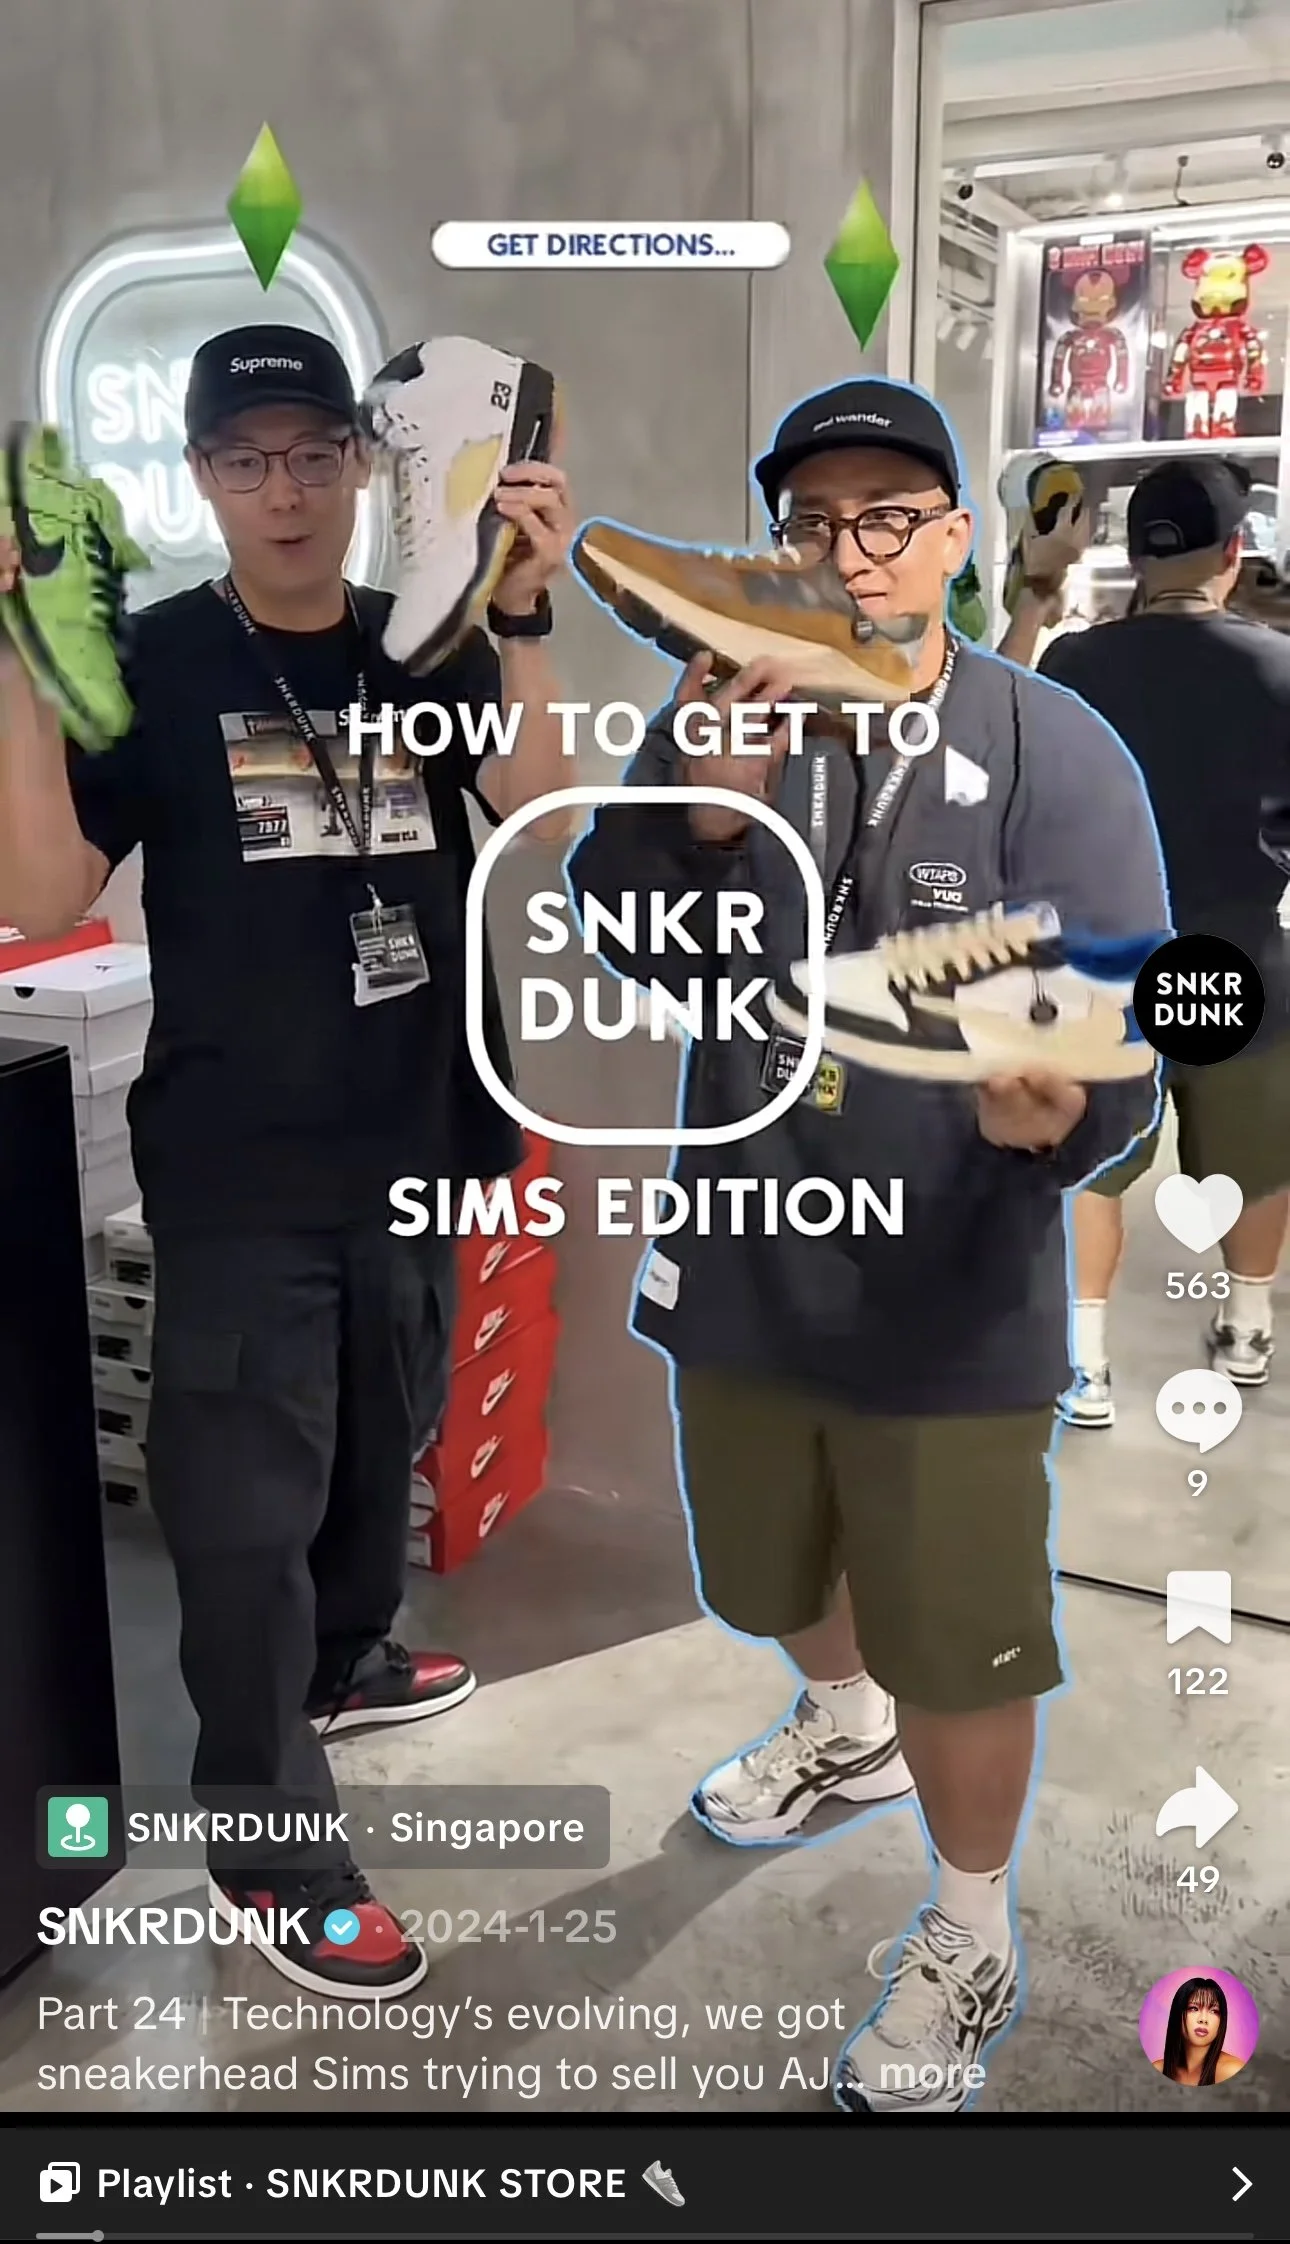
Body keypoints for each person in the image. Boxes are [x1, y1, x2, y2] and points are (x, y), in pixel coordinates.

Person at [567, 377, 1170, 2114]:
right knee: (774, 1563)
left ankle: (970, 1922)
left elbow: (1125, 1027)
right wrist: (695, 809)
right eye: (813, 523)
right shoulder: (718, 703)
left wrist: (1071, 1109)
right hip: (749, 1248)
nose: (849, 551)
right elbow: (632, 936)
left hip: (951, 1291)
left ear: (959, 541)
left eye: (888, 518)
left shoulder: (1053, 746)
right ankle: (842, 1730)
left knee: (962, 1629)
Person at [0, 323, 575, 1999]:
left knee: (375, 1443)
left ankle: (343, 1658)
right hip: (244, 1166)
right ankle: (265, 1840)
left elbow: (533, 806)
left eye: (313, 451)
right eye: (244, 458)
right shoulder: (162, 662)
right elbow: (42, 894)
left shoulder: (428, 629)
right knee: (243, 1505)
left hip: (425, 1132)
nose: (284, 488)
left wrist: (525, 612)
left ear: (361, 462)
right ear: (201, 479)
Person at [1036, 457, 1290, 1426]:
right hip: (1242, 953)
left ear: (1138, 555)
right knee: (1255, 1156)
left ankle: (1088, 1361)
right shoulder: (1280, 670)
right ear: (1234, 554)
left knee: (1093, 1166)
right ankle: (1248, 1326)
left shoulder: (1073, 666)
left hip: (1105, 959)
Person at [1151, 1976, 1245, 2086]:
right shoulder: (1158, 2069)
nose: (1203, 2019)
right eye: (1194, 2008)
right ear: (1177, 2015)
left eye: (1214, 2011)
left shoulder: (1232, 2071)